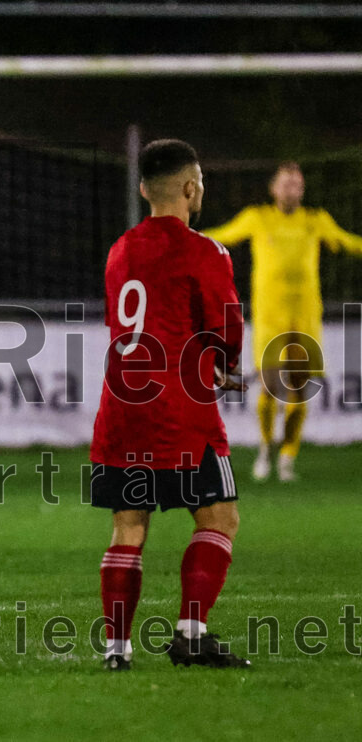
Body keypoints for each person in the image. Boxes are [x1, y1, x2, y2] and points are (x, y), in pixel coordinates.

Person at [90, 139, 250, 671]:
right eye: (199, 181)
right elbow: (226, 325)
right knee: (218, 518)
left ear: (142, 189)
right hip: (180, 411)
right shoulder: (205, 252)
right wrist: (224, 365)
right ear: (189, 188)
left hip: (121, 409)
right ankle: (191, 634)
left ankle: (117, 650)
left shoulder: (119, 249)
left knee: (128, 526)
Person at [204, 162, 362, 482]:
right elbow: (221, 236)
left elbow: (346, 241)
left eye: (297, 184)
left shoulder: (315, 221)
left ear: (302, 191)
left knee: (301, 392)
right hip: (270, 318)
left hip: (305, 316)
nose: (292, 189)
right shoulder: (257, 218)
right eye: (286, 183)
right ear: (274, 189)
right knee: (270, 387)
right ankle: (265, 448)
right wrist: (179, 237)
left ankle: (288, 457)